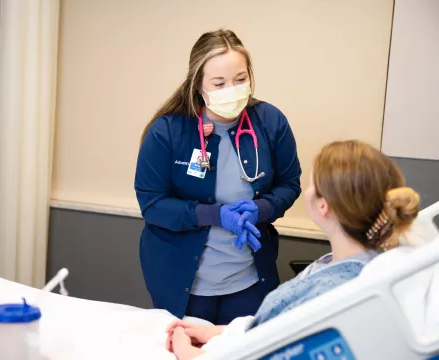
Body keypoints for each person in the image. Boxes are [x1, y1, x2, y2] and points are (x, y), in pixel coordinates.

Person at [165, 140, 420, 360]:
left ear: (324, 206)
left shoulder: (333, 292)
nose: (306, 193)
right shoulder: (352, 263)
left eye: (311, 185)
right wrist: (219, 332)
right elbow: (279, 328)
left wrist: (185, 350)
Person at [134, 29, 302, 325]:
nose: (233, 89)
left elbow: (290, 184)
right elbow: (153, 204)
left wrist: (262, 208)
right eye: (219, 83)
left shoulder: (271, 122)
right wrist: (216, 215)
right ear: (198, 84)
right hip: (183, 283)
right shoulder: (168, 132)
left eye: (240, 79)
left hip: (249, 280)